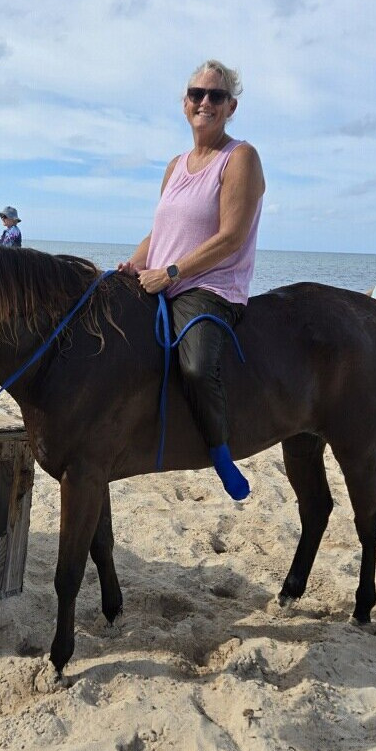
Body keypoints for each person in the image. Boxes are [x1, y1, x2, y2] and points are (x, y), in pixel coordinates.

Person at [118, 59, 265, 500]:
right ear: (185, 104)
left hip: (211, 288)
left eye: (215, 96)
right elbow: (159, 232)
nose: (205, 102)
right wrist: (131, 265)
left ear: (230, 106)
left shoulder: (240, 157)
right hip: (160, 281)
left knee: (198, 367)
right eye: (197, 94)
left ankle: (221, 454)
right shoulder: (175, 165)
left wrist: (173, 271)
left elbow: (231, 236)